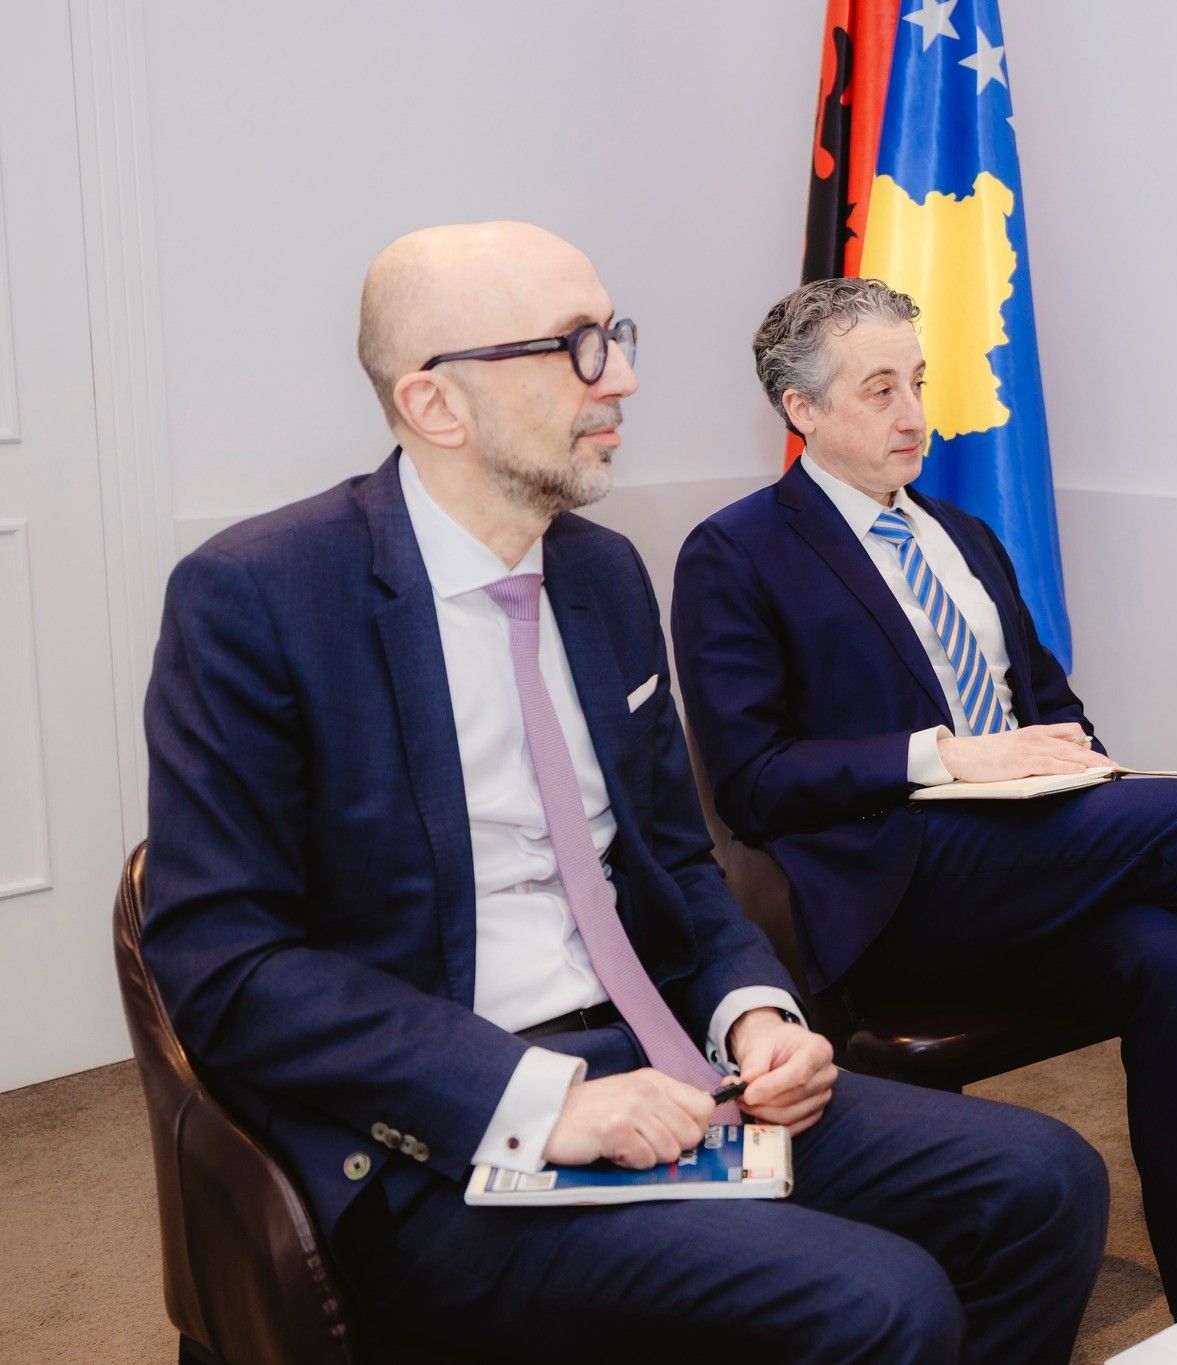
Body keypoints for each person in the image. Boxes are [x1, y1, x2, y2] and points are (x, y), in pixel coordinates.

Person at [141, 224, 1108, 1364]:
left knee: (1046, 1180)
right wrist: (536, 1097)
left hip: (664, 1054)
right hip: (441, 1125)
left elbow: (676, 861)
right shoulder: (258, 597)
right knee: (883, 1302)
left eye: (616, 335)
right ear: (435, 403)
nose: (624, 377)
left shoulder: (602, 573)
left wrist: (753, 1011)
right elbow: (227, 963)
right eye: (576, 346)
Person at [673, 277, 1177, 1318]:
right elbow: (752, 781)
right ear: (802, 408)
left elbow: (1053, 708)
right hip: (894, 881)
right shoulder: (737, 551)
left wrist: (1081, 780)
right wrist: (941, 757)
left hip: (1019, 858)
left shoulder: (962, 534)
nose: (914, 413)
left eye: (918, 382)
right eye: (879, 390)